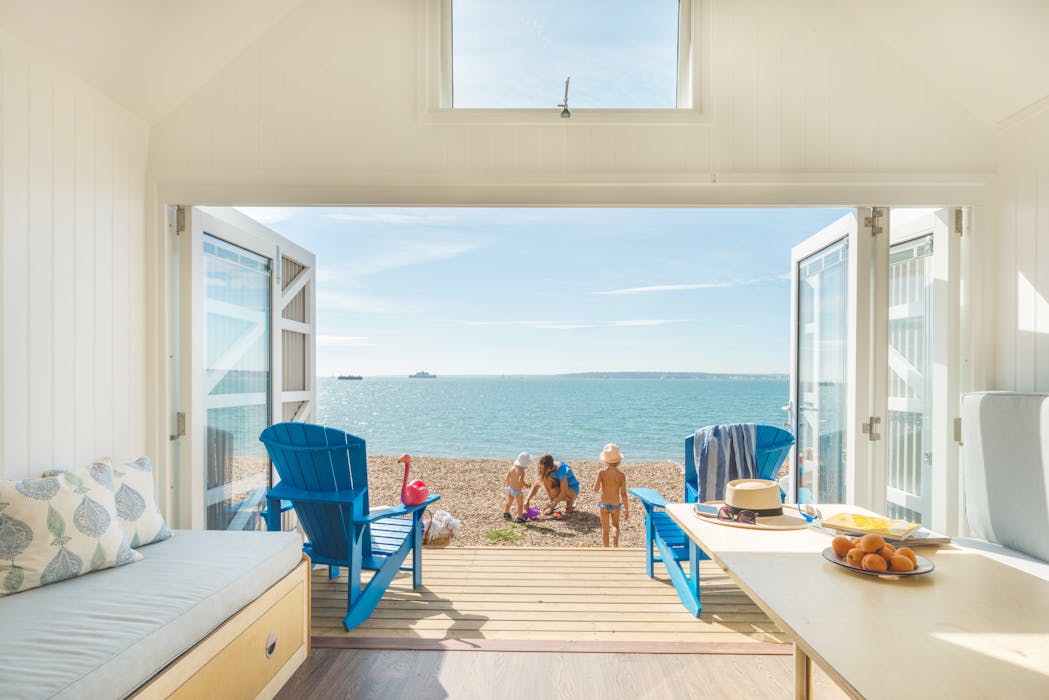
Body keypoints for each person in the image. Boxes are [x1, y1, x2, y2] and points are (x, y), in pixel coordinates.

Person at [593, 443, 629, 547]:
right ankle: (615, 545)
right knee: (616, 526)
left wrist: (596, 486)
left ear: (605, 460)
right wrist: (626, 509)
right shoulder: (621, 475)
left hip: (603, 505)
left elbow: (595, 489)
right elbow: (623, 494)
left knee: (605, 529)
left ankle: (606, 548)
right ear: (619, 460)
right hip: (615, 506)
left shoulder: (601, 472)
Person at [503, 452, 532, 523]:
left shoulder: (512, 468)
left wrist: (508, 485)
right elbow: (520, 481)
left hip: (510, 489)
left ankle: (506, 513)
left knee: (509, 501)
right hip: (517, 491)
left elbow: (507, 478)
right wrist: (527, 485)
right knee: (520, 505)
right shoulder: (521, 472)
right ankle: (519, 518)